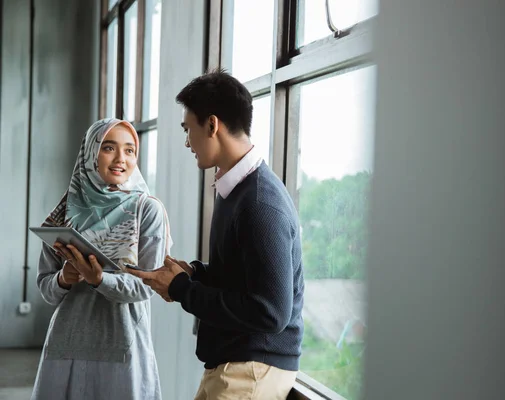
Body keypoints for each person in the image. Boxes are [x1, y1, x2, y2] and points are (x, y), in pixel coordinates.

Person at [128, 69, 305, 400]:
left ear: (212, 125)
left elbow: (270, 312)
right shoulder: (236, 189)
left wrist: (182, 288)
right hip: (236, 366)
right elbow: (242, 280)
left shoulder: (259, 202)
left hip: (252, 371)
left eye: (188, 130)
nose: (186, 142)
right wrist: (193, 273)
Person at [31, 118, 171, 400]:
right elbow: (46, 287)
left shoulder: (147, 211)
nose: (121, 159)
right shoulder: (66, 209)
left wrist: (98, 279)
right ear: (90, 153)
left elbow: (147, 286)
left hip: (120, 348)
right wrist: (63, 278)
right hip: (66, 346)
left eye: (130, 150)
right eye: (109, 148)